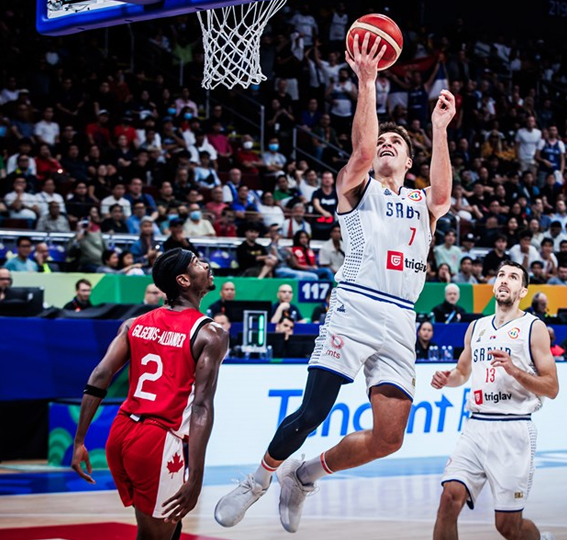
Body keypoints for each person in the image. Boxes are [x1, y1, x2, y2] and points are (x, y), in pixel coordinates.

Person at [214, 34, 456, 532]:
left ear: (411, 163)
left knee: (391, 438)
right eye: (384, 141)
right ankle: (256, 482)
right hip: (356, 305)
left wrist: (438, 129)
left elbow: (444, 191)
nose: (387, 145)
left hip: (401, 320)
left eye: (398, 145)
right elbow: (364, 150)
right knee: (312, 413)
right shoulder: (358, 186)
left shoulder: (422, 203)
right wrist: (367, 80)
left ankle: (303, 476)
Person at [71, 248, 228, 539]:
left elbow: (99, 376)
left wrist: (79, 440)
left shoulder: (134, 323)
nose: (205, 264)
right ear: (183, 280)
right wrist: (195, 477)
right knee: (155, 534)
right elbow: (202, 407)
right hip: (157, 440)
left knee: (164, 526)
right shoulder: (211, 334)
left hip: (120, 433)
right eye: (196, 262)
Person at [430, 261, 558, 540]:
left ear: (522, 291)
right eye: (501, 275)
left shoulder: (533, 328)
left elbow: (551, 387)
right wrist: (447, 378)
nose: (504, 280)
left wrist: (514, 370)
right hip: (476, 427)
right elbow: (463, 371)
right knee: (449, 500)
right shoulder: (476, 327)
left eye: (513, 277)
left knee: (508, 527)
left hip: (513, 429)